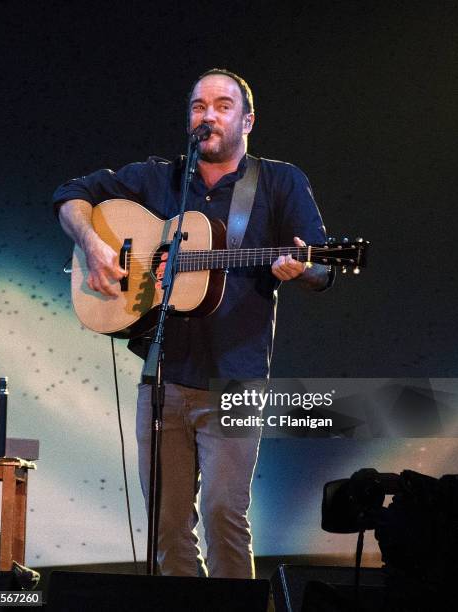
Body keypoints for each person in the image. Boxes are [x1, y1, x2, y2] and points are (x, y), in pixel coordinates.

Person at [53, 68, 333, 579]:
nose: (208, 115)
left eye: (222, 106)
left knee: (225, 517)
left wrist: (304, 268)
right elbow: (71, 194)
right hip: (162, 378)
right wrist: (93, 247)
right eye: (199, 106)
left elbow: (321, 267)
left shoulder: (279, 181)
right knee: (166, 525)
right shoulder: (157, 177)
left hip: (235, 378)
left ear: (248, 120)